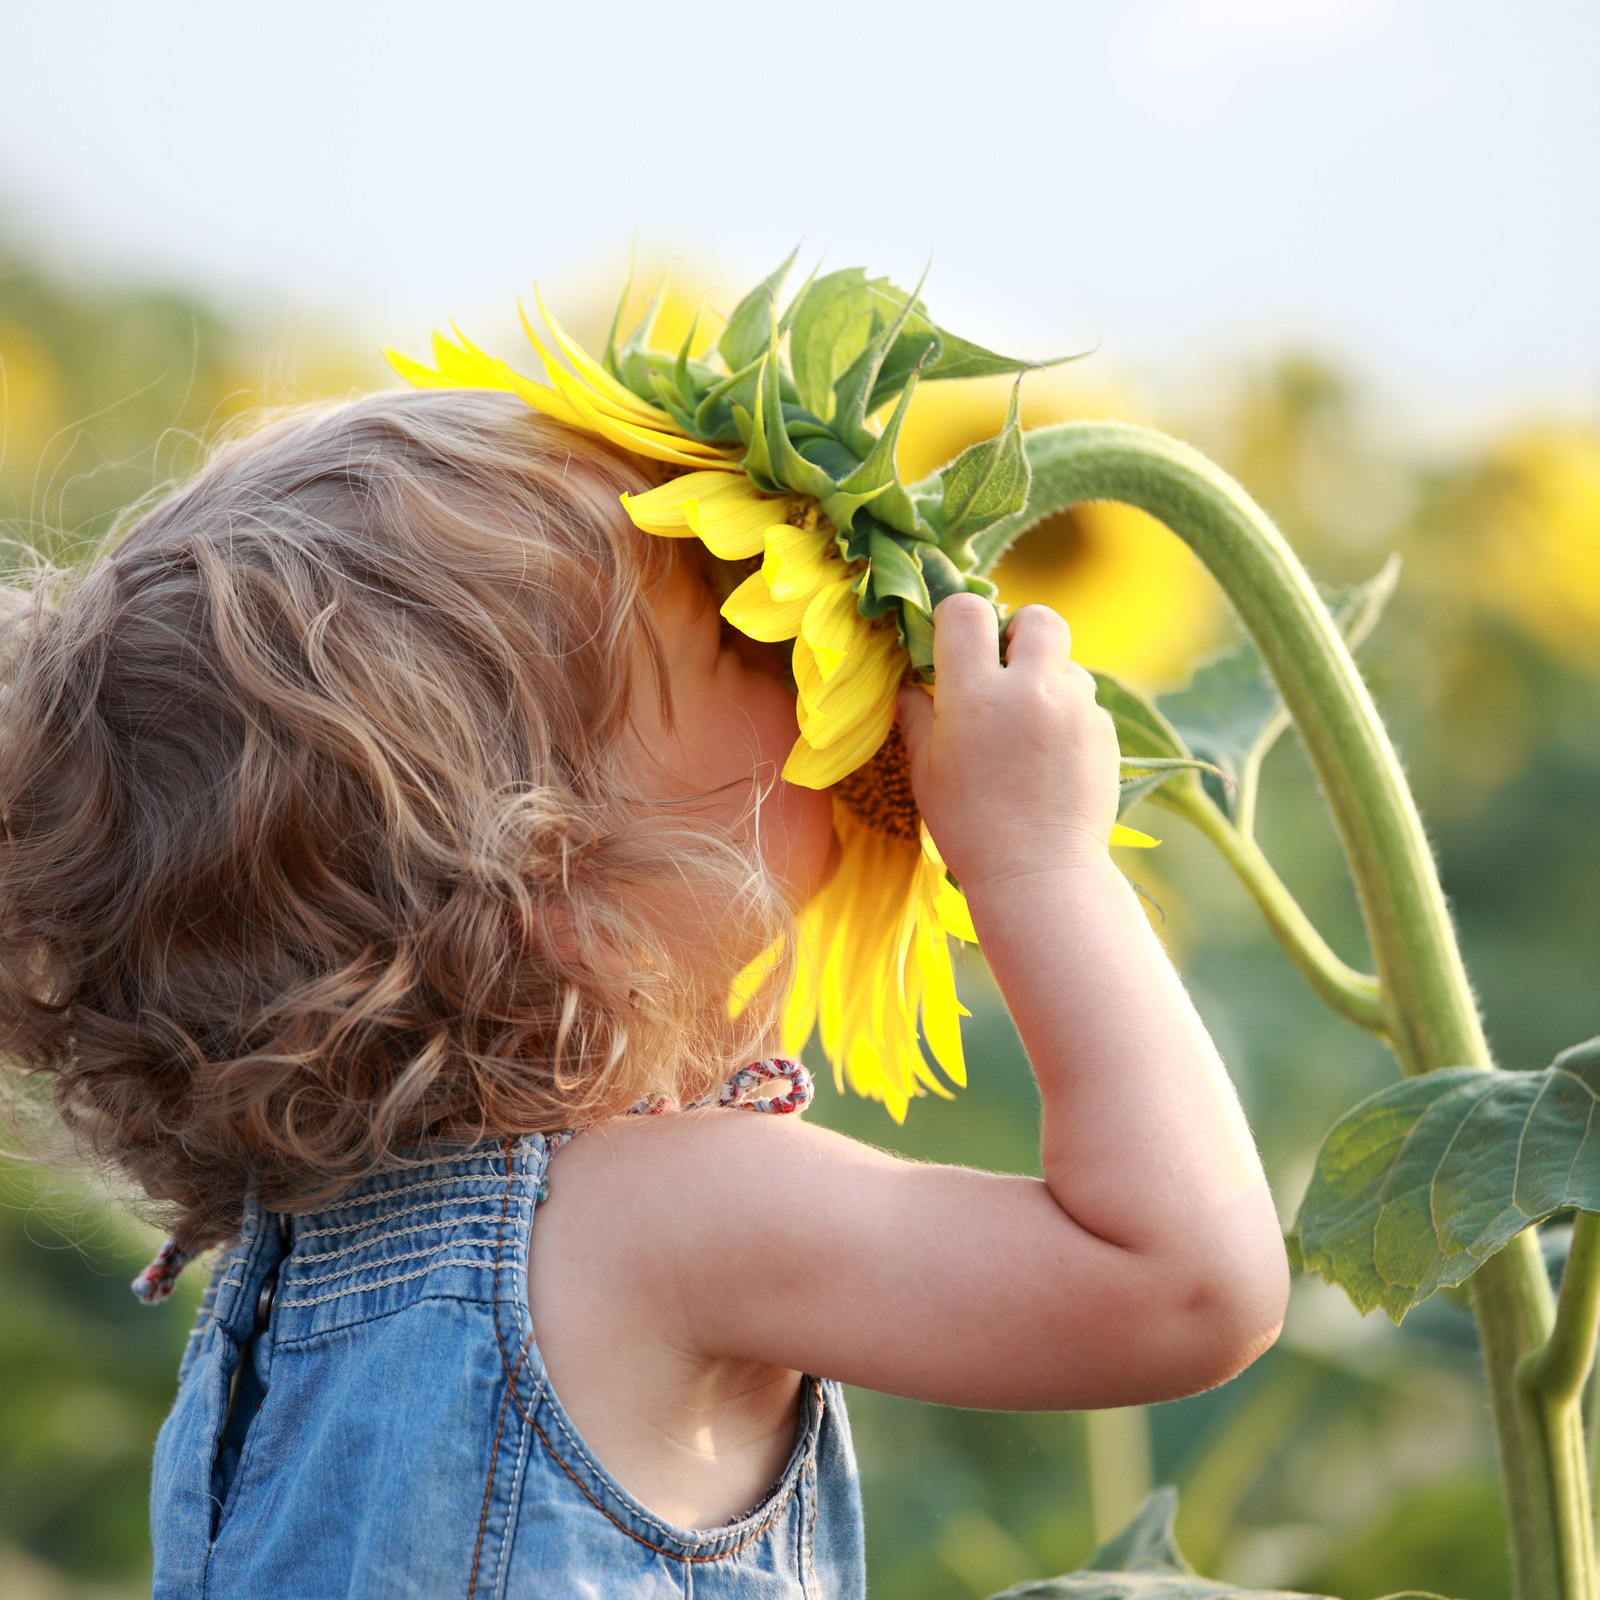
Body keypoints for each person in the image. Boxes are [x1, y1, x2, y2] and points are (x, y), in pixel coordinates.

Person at [0, 388, 1288, 1599]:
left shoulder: (289, 1274)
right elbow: (1184, 1284)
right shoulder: (659, 1218)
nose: (804, 674)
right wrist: (1037, 856)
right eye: (738, 642)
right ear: (564, 890)